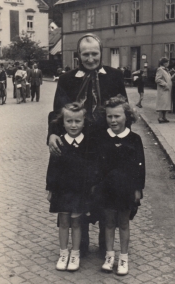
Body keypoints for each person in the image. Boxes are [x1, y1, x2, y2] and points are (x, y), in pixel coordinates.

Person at [48, 33, 127, 256]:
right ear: (78, 55)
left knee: (105, 193)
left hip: (106, 146)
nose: (90, 59)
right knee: (77, 191)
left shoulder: (114, 76)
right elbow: (56, 111)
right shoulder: (66, 79)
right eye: (85, 54)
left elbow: (124, 112)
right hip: (77, 147)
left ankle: (105, 244)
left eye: (94, 54)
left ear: (101, 53)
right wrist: (52, 135)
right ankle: (79, 245)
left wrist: (124, 140)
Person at [46, 102, 99, 271]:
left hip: (80, 191)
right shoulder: (60, 143)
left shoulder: (89, 144)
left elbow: (93, 168)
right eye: (69, 121)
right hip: (62, 190)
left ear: (84, 122)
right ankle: (63, 253)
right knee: (63, 222)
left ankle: (75, 254)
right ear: (63, 123)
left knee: (77, 223)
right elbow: (52, 167)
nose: (73, 125)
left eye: (77, 121)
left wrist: (92, 187)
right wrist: (50, 188)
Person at [96, 95, 145, 275]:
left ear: (127, 116)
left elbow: (140, 165)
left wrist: (138, 189)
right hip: (107, 190)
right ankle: (110, 256)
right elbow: (97, 166)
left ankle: (123, 257)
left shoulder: (134, 139)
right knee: (108, 223)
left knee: (123, 223)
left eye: (117, 116)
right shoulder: (102, 138)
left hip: (126, 189)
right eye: (109, 117)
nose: (113, 120)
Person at [155, 57, 172, 123]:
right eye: (167, 62)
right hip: (163, 89)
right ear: (163, 63)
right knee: (162, 103)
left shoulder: (166, 70)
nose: (168, 63)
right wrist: (165, 84)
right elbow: (157, 79)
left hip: (167, 90)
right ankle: (160, 117)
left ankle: (164, 117)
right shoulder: (160, 70)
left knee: (166, 103)